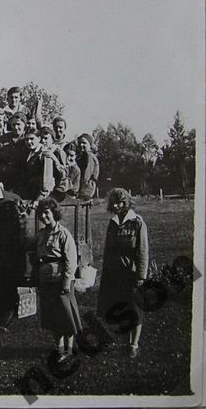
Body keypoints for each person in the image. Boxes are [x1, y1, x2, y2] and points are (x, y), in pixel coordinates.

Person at [97, 188, 149, 359]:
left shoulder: (137, 222)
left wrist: (141, 276)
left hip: (131, 273)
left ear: (126, 203)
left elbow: (143, 251)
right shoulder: (112, 222)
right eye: (113, 203)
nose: (116, 206)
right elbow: (107, 250)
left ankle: (134, 344)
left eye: (119, 203)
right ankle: (124, 339)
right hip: (114, 273)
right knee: (118, 306)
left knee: (135, 308)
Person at [35, 198, 82, 362]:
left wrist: (67, 282)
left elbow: (71, 260)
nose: (43, 216)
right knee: (53, 318)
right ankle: (59, 349)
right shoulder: (41, 234)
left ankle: (69, 350)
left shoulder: (63, 234)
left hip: (60, 281)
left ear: (54, 213)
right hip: (47, 281)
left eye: (46, 212)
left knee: (66, 317)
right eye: (41, 213)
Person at [0, 112, 27, 193]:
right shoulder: (2, 139)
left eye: (18, 124)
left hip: (22, 179)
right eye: (13, 125)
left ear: (24, 125)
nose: (16, 127)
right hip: (4, 178)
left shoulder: (28, 140)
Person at [77, 133, 100, 200]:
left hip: (85, 190)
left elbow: (86, 175)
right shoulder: (82, 156)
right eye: (80, 143)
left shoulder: (89, 157)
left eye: (84, 143)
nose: (81, 145)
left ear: (90, 145)